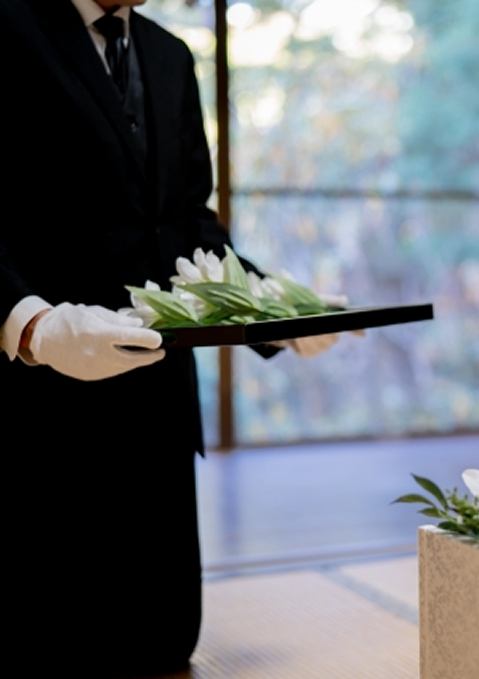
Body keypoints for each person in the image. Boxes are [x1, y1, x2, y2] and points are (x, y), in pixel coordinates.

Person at [0, 1, 336, 674]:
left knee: (165, 641)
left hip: (160, 403)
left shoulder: (168, 55)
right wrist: (31, 324)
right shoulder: (7, 26)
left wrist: (275, 305)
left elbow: (188, 223)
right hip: (46, 408)